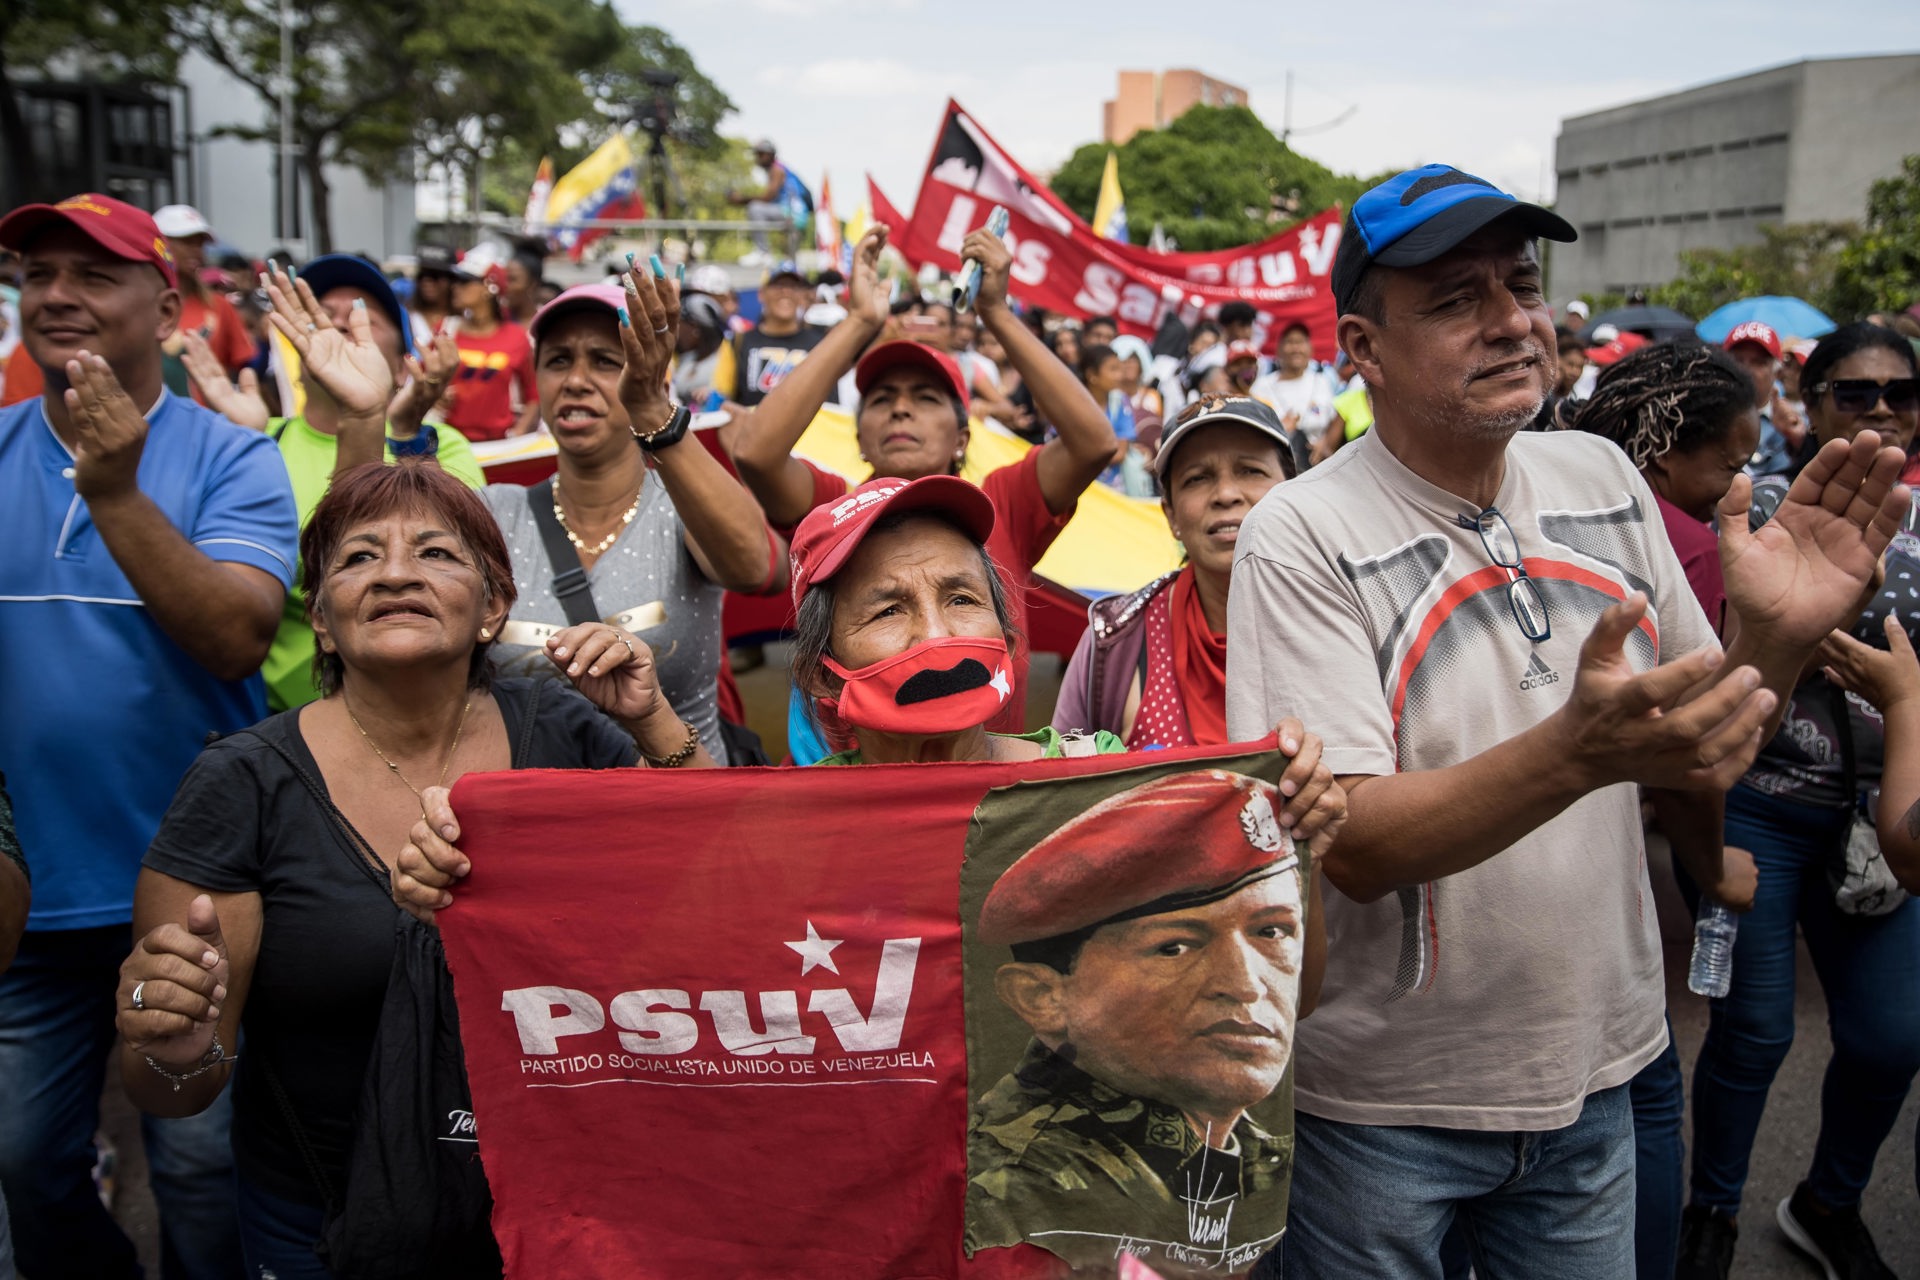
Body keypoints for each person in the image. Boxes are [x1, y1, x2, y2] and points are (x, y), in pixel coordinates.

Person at [1224, 164, 1907, 1280]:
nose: (1512, 322)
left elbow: (1706, 732)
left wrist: (1774, 641)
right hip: (1385, 1107)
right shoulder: (1302, 531)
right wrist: (1577, 751)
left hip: (1600, 1073)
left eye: (1521, 283)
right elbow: (1351, 841)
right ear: (1362, 345)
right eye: (1455, 299)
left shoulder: (1597, 472)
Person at [112, 458, 714, 1277]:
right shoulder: (241, 784)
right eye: (359, 558)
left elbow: (719, 880)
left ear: (494, 607)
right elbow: (176, 1091)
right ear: (321, 619)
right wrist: (172, 1043)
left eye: (435, 553)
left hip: (558, 1207)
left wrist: (652, 720)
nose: (395, 573)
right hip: (327, 1221)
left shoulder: (569, 736)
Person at [0, 192, 300, 1279]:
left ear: (166, 308)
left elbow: (232, 637)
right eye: (39, 274)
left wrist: (114, 488)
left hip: (196, 896)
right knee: (24, 1159)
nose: (59, 296)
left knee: (200, 1170)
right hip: (27, 896)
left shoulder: (233, 459)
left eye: (93, 274)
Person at [1676, 321, 1920, 1280]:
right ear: (1812, 405)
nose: (1883, 410)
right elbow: (1716, 657)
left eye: (1902, 392)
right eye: (1854, 395)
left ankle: (1830, 1201)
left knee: (1894, 1036)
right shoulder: (1765, 504)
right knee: (1753, 1028)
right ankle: (1712, 1213)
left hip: (1888, 825)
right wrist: (1784, 631)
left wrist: (1903, 692)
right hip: (1765, 804)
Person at [729, 224, 1119, 754]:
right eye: (883, 397)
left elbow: (1094, 441)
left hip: (994, 804)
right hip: (866, 807)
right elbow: (755, 452)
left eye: (926, 397)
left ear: (963, 437)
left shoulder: (1004, 504)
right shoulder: (832, 513)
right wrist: (860, 321)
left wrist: (998, 313)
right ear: (860, 436)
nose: (902, 407)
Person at [1569, 340, 1761, 1280]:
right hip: (1603, 900)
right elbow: (1700, 756)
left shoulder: (1530, 502)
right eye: (1727, 459)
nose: (1740, 480)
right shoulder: (1683, 545)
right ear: (1659, 450)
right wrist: (1717, 868)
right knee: (1641, 1094)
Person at [967, 769, 1323, 1269]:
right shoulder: (1015, 1181)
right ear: (1042, 997)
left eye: (1272, 932)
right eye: (1174, 946)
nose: (1246, 985)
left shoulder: (1262, 1157)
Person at [481, 270, 782, 765]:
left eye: (604, 361)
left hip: (684, 813)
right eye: (558, 361)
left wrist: (652, 412)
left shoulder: (685, 503)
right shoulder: (494, 512)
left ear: (653, 374)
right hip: (534, 824)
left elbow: (758, 570)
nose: (576, 381)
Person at [183, 254, 478, 713]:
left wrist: (400, 437)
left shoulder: (439, 445)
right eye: (323, 313)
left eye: (362, 315)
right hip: (268, 723)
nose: (339, 323)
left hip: (405, 714)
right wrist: (224, 447)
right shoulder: (259, 442)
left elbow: (459, 574)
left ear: (403, 365)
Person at [1056, 396, 1296, 747]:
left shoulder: (1348, 617)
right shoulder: (1116, 637)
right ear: (1171, 516)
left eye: (1250, 470)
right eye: (1198, 478)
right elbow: (1059, 784)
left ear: (1294, 492)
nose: (1226, 494)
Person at [445, 248, 538, 441]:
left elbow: (534, 395)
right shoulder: (446, 331)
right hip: (448, 444)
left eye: (465, 281)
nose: (455, 287)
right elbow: (418, 382)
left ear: (489, 287)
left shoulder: (517, 337)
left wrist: (517, 435)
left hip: (497, 448)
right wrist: (433, 393)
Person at [154, 205, 254, 377]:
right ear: (160, 244)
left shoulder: (220, 306)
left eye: (200, 244)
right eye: (187, 242)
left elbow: (246, 366)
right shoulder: (141, 306)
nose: (197, 251)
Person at [715, 267, 828, 408]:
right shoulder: (737, 342)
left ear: (802, 295)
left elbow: (830, 403)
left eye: (793, 287)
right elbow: (720, 397)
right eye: (778, 285)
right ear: (761, 294)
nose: (786, 292)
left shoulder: (821, 345)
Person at [1726, 321, 1803, 479]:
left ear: (1776, 372)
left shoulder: (1793, 425)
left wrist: (1799, 443)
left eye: (1758, 362)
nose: (1746, 370)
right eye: (1738, 360)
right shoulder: (1704, 420)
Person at [1249, 322, 1337, 446]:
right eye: (1290, 342)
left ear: (1310, 349)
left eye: (1301, 342)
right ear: (1279, 350)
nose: (1296, 349)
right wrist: (1280, 428)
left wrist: (1325, 442)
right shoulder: (1261, 386)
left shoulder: (1322, 381)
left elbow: (1334, 420)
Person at [727, 139, 806, 261]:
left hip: (792, 214)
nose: (757, 158)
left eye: (760, 154)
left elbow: (768, 197)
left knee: (755, 208)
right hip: (790, 212)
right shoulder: (776, 169)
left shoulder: (777, 170)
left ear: (769, 155)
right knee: (790, 256)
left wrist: (742, 199)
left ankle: (762, 252)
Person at [671, 290, 729, 406]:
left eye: (681, 324)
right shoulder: (685, 358)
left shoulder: (726, 356)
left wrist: (712, 394)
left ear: (695, 328)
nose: (677, 330)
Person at [412, 243, 457, 337]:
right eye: (422, 275)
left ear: (451, 279)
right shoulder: (406, 318)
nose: (426, 281)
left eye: (434, 275)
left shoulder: (465, 321)